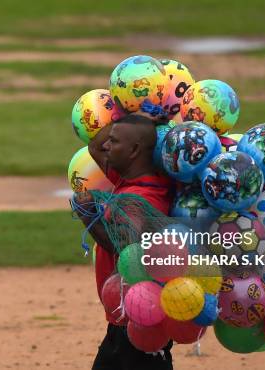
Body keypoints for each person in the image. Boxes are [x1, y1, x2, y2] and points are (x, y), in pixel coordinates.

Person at [74, 114, 175, 370]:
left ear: (134, 151)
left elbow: (125, 246)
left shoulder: (143, 198)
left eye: (115, 142)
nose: (106, 145)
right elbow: (95, 146)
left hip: (139, 318)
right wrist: (127, 107)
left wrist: (89, 219)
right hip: (125, 317)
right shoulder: (127, 178)